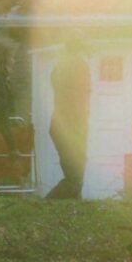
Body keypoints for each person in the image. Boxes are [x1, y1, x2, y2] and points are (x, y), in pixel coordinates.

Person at [45, 38, 92, 199]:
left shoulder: (59, 67)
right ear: (80, 49)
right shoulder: (80, 66)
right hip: (72, 128)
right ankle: (45, 205)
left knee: (75, 175)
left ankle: (75, 211)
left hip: (59, 126)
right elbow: (81, 97)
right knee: (75, 180)